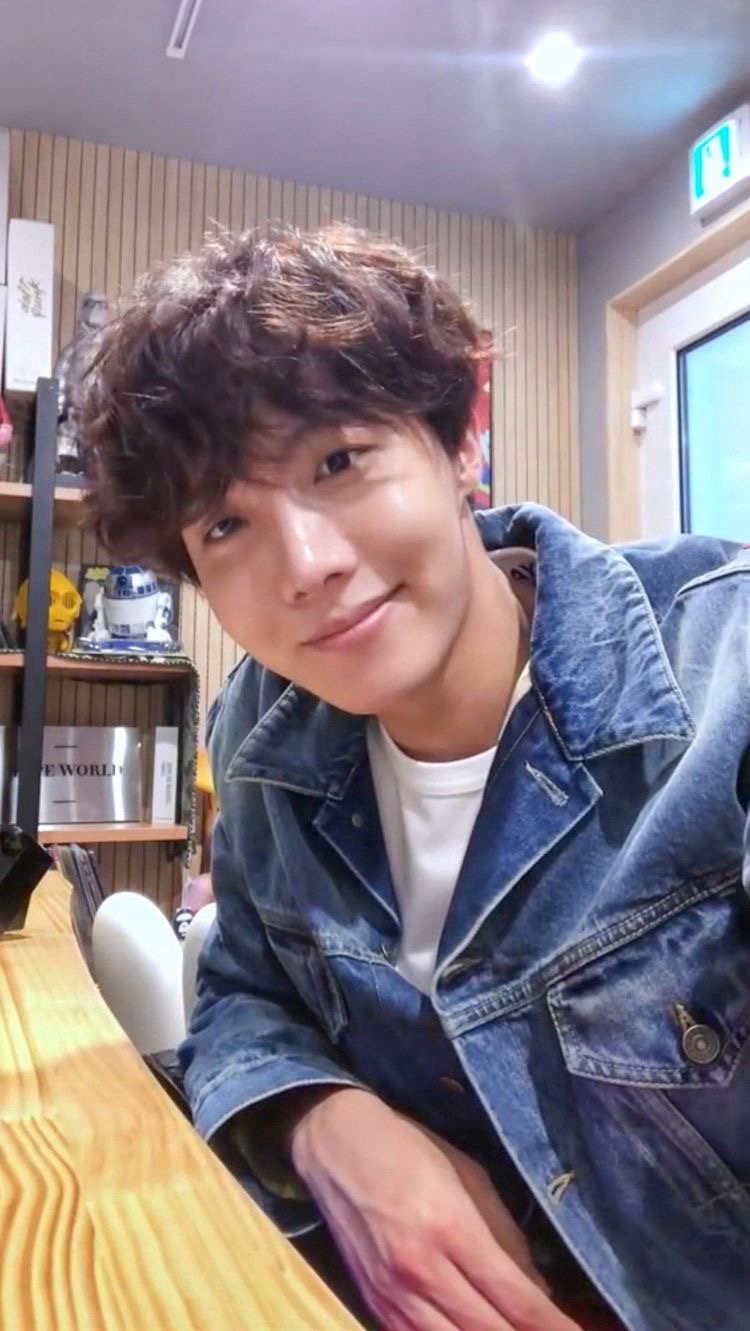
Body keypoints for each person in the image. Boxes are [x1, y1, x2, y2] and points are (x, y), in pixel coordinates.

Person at [80, 226, 750, 1331]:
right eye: (227, 522)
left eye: (338, 462)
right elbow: (245, 991)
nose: (306, 567)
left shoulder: (724, 665)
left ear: (461, 440)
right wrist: (323, 1122)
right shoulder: (262, 726)